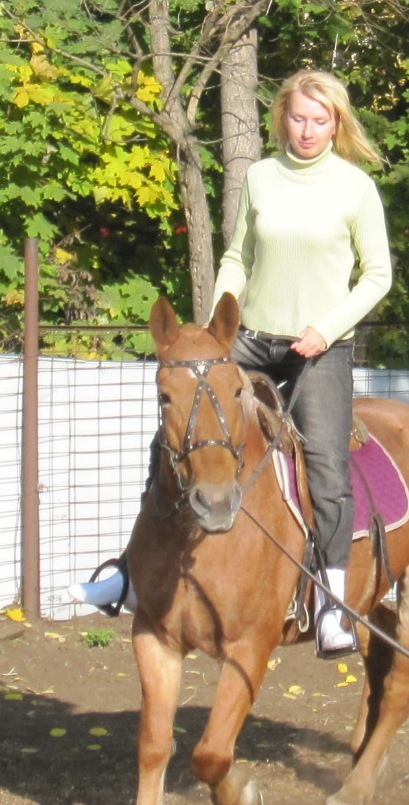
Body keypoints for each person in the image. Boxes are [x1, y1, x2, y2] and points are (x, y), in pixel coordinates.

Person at [69, 69, 392, 657]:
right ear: (282, 118)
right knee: (178, 430)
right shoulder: (261, 177)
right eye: (298, 118)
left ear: (336, 124)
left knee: (326, 465)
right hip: (251, 338)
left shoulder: (355, 188)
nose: (308, 130)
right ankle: (129, 572)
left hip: (319, 349)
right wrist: (220, 327)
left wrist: (325, 329)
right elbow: (239, 258)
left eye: (320, 120)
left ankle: (333, 604)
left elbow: (378, 276)